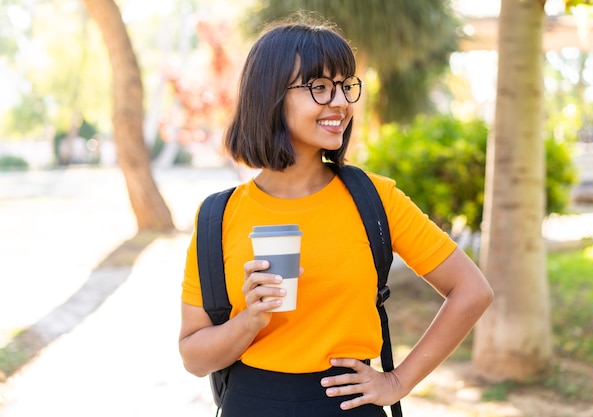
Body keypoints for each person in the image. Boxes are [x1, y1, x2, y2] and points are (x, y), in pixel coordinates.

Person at [179, 15, 494, 417]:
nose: (342, 102)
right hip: (250, 403)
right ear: (270, 95)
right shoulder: (217, 217)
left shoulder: (375, 198)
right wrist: (249, 320)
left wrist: (397, 381)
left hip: (347, 404)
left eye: (346, 86)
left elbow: (472, 291)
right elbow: (193, 357)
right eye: (321, 88)